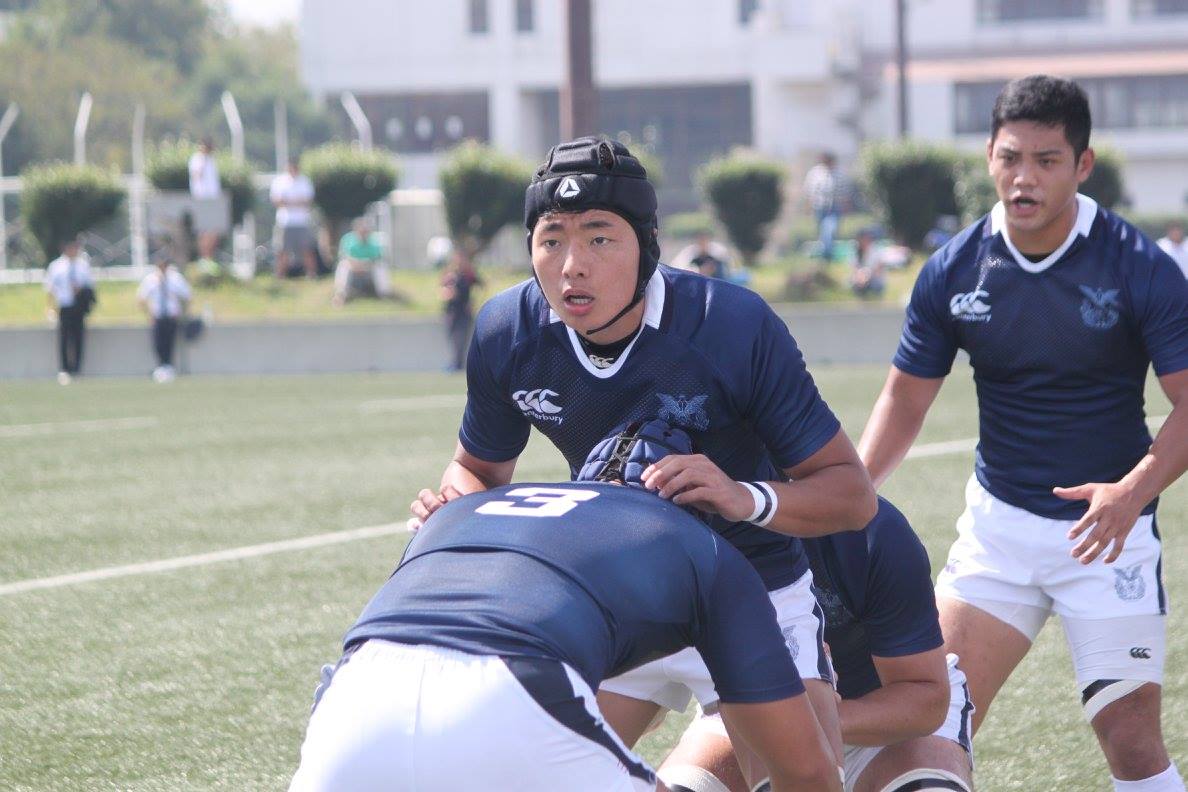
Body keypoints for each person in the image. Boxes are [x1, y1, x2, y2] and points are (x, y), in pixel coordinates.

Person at [408, 136, 878, 786]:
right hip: (615, 587)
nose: (572, 266)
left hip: (754, 583)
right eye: (551, 239)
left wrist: (742, 496)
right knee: (527, 772)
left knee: (808, 783)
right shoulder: (507, 331)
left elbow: (851, 495)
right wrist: (455, 508)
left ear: (648, 244)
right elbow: (477, 472)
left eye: (599, 238)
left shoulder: (730, 325)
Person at [859, 75, 1188, 792]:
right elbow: (904, 401)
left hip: (1108, 534)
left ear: (1082, 165)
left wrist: (1132, 493)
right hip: (998, 535)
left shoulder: (1137, 266)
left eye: (1046, 160)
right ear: (988, 157)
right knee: (926, 722)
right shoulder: (954, 269)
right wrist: (848, 498)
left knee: (1130, 740)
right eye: (1010, 158)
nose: (1024, 178)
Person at [291, 422, 842, 792]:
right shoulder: (706, 547)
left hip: (347, 709)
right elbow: (807, 773)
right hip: (511, 695)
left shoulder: (463, 509)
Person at [662, 498, 975, 792]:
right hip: (753, 718)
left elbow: (925, 696)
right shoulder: (687, 537)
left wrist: (814, 719)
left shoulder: (870, 532)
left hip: (885, 726)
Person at [44, 238, 94, 385]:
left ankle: (77, 368)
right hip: (64, 305)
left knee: (79, 337)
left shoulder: (83, 265)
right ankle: (64, 369)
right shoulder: (56, 266)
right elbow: (50, 289)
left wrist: (81, 291)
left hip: (79, 307)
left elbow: (90, 287)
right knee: (64, 338)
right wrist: (50, 307)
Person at [137, 256, 192, 383]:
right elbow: (141, 298)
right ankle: (161, 366)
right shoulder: (150, 279)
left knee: (170, 342)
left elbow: (187, 295)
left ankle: (169, 367)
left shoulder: (175, 278)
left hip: (171, 316)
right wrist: (148, 315)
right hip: (157, 316)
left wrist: (183, 313)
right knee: (158, 343)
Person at [271, 158, 317, 279]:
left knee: (307, 249)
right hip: (284, 222)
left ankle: (311, 274)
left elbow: (307, 201)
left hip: (302, 222)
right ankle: (280, 275)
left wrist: (289, 202)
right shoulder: (279, 181)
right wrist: (296, 201)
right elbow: (277, 201)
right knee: (282, 250)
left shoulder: (305, 181)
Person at [332, 218, 392, 305]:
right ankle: (340, 295)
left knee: (380, 266)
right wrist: (356, 265)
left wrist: (364, 265)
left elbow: (377, 259)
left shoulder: (376, 240)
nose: (363, 233)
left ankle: (384, 294)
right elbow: (344, 257)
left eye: (365, 231)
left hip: (369, 270)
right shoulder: (348, 239)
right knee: (343, 266)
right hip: (353, 269)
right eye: (361, 231)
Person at [440, 250, 482, 371]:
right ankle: (455, 363)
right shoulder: (450, 275)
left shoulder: (468, 275)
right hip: (452, 312)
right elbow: (442, 289)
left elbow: (482, 286)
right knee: (453, 338)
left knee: (461, 338)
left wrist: (474, 302)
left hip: (464, 312)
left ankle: (458, 364)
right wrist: (447, 293)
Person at [188, 137, 222, 275]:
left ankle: (209, 258)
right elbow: (197, 176)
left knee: (214, 231)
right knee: (204, 231)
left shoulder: (211, 160)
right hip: (202, 200)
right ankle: (204, 259)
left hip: (213, 200)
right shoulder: (197, 159)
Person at [804, 152, 844, 261]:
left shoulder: (839, 173)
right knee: (822, 231)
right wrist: (808, 206)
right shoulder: (815, 173)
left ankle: (827, 254)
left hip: (834, 207)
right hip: (820, 207)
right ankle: (826, 254)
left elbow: (843, 192)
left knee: (829, 229)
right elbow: (809, 191)